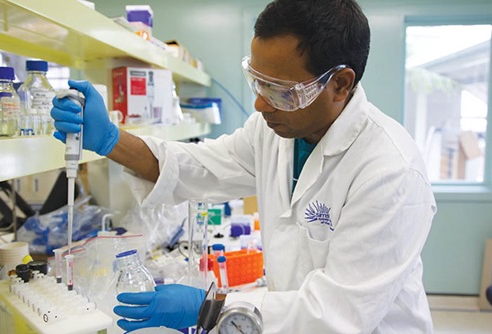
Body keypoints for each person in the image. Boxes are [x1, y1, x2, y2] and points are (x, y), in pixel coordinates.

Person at [51, 0, 436, 332]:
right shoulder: (274, 131)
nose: (260, 104)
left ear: (340, 84)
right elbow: (200, 167)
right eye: (258, 81)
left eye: (282, 91)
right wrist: (111, 141)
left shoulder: (390, 172)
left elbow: (337, 315)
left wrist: (212, 307)